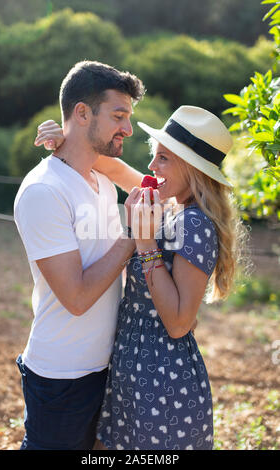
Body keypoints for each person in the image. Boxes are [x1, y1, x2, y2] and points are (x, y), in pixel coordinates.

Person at [36, 104, 248, 450]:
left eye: (163, 158)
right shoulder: (171, 206)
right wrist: (68, 141)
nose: (151, 167)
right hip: (133, 373)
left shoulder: (193, 224)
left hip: (162, 385)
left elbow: (179, 323)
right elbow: (116, 168)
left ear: (191, 168)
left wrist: (144, 238)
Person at [14, 60, 146, 450]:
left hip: (107, 367)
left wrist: (72, 142)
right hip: (61, 377)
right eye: (119, 115)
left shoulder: (102, 180)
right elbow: (76, 297)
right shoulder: (44, 191)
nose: (128, 128)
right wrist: (132, 238)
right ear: (82, 112)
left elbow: (157, 188)